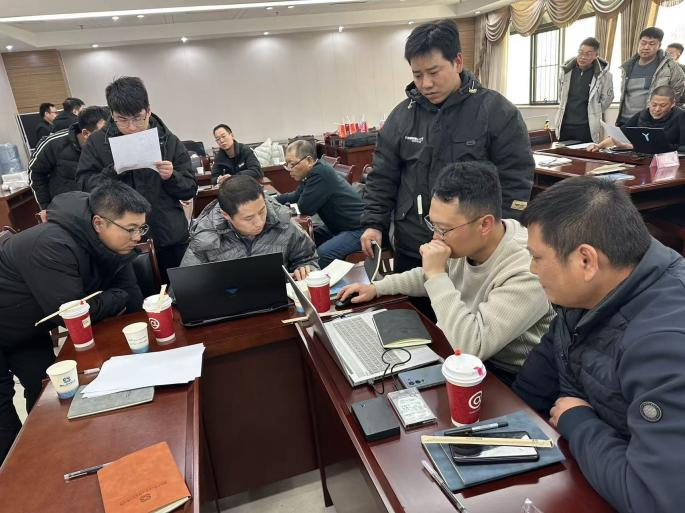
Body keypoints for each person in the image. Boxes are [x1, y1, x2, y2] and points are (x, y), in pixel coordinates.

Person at [513, 176, 685, 513]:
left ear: (586, 261)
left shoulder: (663, 344)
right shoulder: (587, 293)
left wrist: (577, 420)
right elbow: (542, 373)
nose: (532, 270)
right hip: (593, 464)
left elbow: (655, 500)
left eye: (537, 258)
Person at [340, 161, 554, 385]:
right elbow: (426, 275)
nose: (436, 237)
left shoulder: (528, 268)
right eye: (433, 225)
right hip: (468, 355)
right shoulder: (468, 242)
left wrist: (436, 275)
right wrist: (377, 288)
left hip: (513, 376)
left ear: (485, 225)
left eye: (443, 229)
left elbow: (472, 346)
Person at [360, 19, 535, 274]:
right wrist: (374, 223)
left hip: (473, 253)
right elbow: (382, 177)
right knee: (408, 300)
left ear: (458, 62)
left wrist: (497, 239)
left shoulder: (496, 112)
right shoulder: (402, 116)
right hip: (414, 246)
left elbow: (515, 181)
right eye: (417, 75)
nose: (425, 83)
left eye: (434, 72)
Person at [0, 181, 150, 463]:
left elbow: (130, 297)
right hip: (13, 319)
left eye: (141, 228)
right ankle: (14, 478)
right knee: (3, 413)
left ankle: (44, 456)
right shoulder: (51, 244)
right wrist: (115, 296)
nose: (137, 237)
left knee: (44, 391)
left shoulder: (110, 243)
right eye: (131, 229)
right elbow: (71, 313)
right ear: (99, 223)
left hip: (27, 327)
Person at [76, 76, 198, 280]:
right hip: (120, 244)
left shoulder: (168, 140)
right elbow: (84, 189)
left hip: (169, 237)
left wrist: (172, 177)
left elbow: (189, 189)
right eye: (122, 119)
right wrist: (113, 171)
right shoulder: (97, 143)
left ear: (148, 111)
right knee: (134, 296)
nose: (131, 127)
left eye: (138, 118)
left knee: (178, 292)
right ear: (112, 114)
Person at [180, 175, 318, 280]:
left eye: (262, 211)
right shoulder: (205, 235)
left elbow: (307, 259)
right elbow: (186, 283)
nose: (259, 222)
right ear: (226, 215)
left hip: (281, 302)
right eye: (248, 218)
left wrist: (305, 269)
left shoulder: (282, 221)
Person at [275, 140, 365, 268]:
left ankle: (322, 280)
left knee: (323, 254)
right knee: (302, 243)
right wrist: (271, 200)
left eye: (292, 164)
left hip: (358, 228)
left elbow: (305, 208)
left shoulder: (319, 173)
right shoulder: (313, 171)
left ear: (309, 160)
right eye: (287, 164)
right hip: (337, 226)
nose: (289, 169)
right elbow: (295, 196)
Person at [29, 106, 108, 222]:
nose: (107, 138)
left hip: (99, 210)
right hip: (65, 213)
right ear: (86, 133)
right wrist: (46, 207)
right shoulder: (54, 144)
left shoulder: (106, 145)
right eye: (103, 134)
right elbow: (35, 174)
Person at [616, 27, 685, 126]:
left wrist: (663, 114)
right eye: (643, 43)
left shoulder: (670, 67)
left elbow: (677, 92)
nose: (646, 47)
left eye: (652, 44)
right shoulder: (628, 65)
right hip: (625, 120)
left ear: (659, 45)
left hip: (650, 122)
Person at [588, 86, 684, 152]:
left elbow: (681, 148)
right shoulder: (643, 114)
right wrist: (599, 146)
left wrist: (629, 146)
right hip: (641, 159)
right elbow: (620, 134)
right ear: (649, 101)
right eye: (654, 104)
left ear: (673, 104)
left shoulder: (681, 117)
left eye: (663, 105)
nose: (657, 109)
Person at [555, 37, 613, 143]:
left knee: (585, 153)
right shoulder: (566, 72)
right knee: (563, 152)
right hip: (565, 125)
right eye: (580, 52)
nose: (582, 57)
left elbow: (607, 100)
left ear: (596, 55)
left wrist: (594, 110)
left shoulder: (604, 75)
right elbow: (561, 95)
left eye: (588, 54)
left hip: (587, 127)